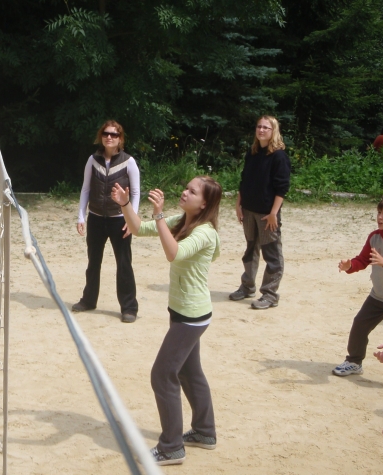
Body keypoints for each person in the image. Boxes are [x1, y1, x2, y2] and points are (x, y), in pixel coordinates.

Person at [111, 175, 222, 465]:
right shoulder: (183, 221)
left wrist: (159, 215)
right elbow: (137, 228)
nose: (185, 192)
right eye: (186, 188)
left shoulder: (205, 232)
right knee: (189, 372)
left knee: (162, 374)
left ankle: (172, 446)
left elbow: (174, 253)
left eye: (192, 191)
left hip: (192, 317)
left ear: (204, 203)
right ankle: (205, 432)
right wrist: (125, 204)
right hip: (181, 312)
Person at [72, 120, 140, 323]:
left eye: (114, 134)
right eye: (106, 133)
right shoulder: (93, 160)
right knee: (93, 262)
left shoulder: (129, 162)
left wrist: (132, 219)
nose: (109, 137)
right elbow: (86, 189)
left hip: (119, 219)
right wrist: (81, 216)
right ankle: (88, 300)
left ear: (120, 138)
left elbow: (136, 193)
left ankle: (129, 308)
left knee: (124, 264)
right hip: (96, 218)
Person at [229, 115, 291, 309]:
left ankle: (270, 294)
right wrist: (239, 204)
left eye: (266, 127)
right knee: (250, 250)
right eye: (259, 127)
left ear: (273, 131)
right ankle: (247, 286)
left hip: (267, 214)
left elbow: (282, 188)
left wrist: (273, 213)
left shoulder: (279, 156)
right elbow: (244, 180)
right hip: (249, 210)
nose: (261, 130)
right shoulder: (253, 152)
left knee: (272, 254)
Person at [332, 198, 383, 377]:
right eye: (379, 212)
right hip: (379, 295)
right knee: (360, 324)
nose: (380, 217)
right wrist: (349, 265)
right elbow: (362, 260)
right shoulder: (374, 237)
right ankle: (354, 362)